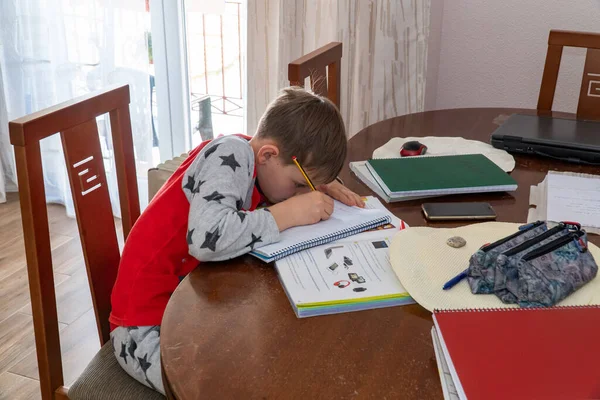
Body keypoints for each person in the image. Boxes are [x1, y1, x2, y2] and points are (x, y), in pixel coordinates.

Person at [109, 87, 364, 394]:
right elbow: (205, 239)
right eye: (299, 184)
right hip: (144, 326)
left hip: (191, 305)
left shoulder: (258, 161)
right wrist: (286, 213)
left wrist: (320, 184)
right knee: (232, 385)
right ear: (268, 154)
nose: (303, 194)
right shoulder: (230, 155)